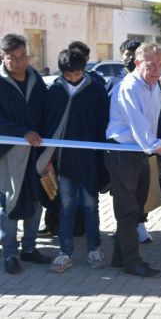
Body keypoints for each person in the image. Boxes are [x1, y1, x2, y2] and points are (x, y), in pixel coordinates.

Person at [105, 42, 161, 278]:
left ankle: (120, 257)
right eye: (151, 65)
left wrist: (157, 149)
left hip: (142, 152)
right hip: (123, 153)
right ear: (138, 63)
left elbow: (153, 124)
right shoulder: (129, 87)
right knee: (128, 210)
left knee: (137, 207)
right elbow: (139, 127)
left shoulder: (155, 86)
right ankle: (132, 262)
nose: (157, 69)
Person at [40, 48, 109, 273]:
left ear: (84, 69)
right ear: (62, 72)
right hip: (63, 162)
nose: (73, 78)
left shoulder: (97, 91)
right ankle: (65, 253)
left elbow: (103, 125)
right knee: (66, 207)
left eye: (77, 73)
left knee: (91, 206)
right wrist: (48, 157)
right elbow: (48, 124)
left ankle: (94, 250)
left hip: (90, 160)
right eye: (68, 75)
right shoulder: (54, 92)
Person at [0, 33, 52, 274]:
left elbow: (47, 110)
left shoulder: (35, 78)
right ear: (3, 57)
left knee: (36, 200)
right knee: (9, 204)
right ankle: (9, 253)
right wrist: (23, 132)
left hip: (36, 153)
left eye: (23, 57)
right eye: (13, 58)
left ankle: (29, 249)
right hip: (8, 156)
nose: (19, 62)